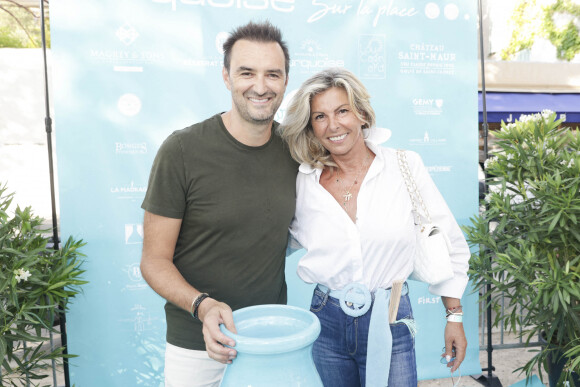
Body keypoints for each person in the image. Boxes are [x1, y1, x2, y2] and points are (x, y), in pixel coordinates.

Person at [279, 67, 470, 386]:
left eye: (342, 111)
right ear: (311, 127)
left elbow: (448, 241)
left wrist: (454, 317)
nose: (333, 125)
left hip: (390, 314)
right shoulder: (304, 182)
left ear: (363, 115)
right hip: (326, 320)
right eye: (320, 116)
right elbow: (271, 241)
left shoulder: (403, 166)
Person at [140, 21, 297, 387]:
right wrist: (203, 305)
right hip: (196, 345)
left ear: (286, 81)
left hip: (269, 338)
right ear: (226, 77)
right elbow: (153, 260)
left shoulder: (296, 150)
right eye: (247, 73)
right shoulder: (181, 151)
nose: (260, 86)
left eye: (272, 74)